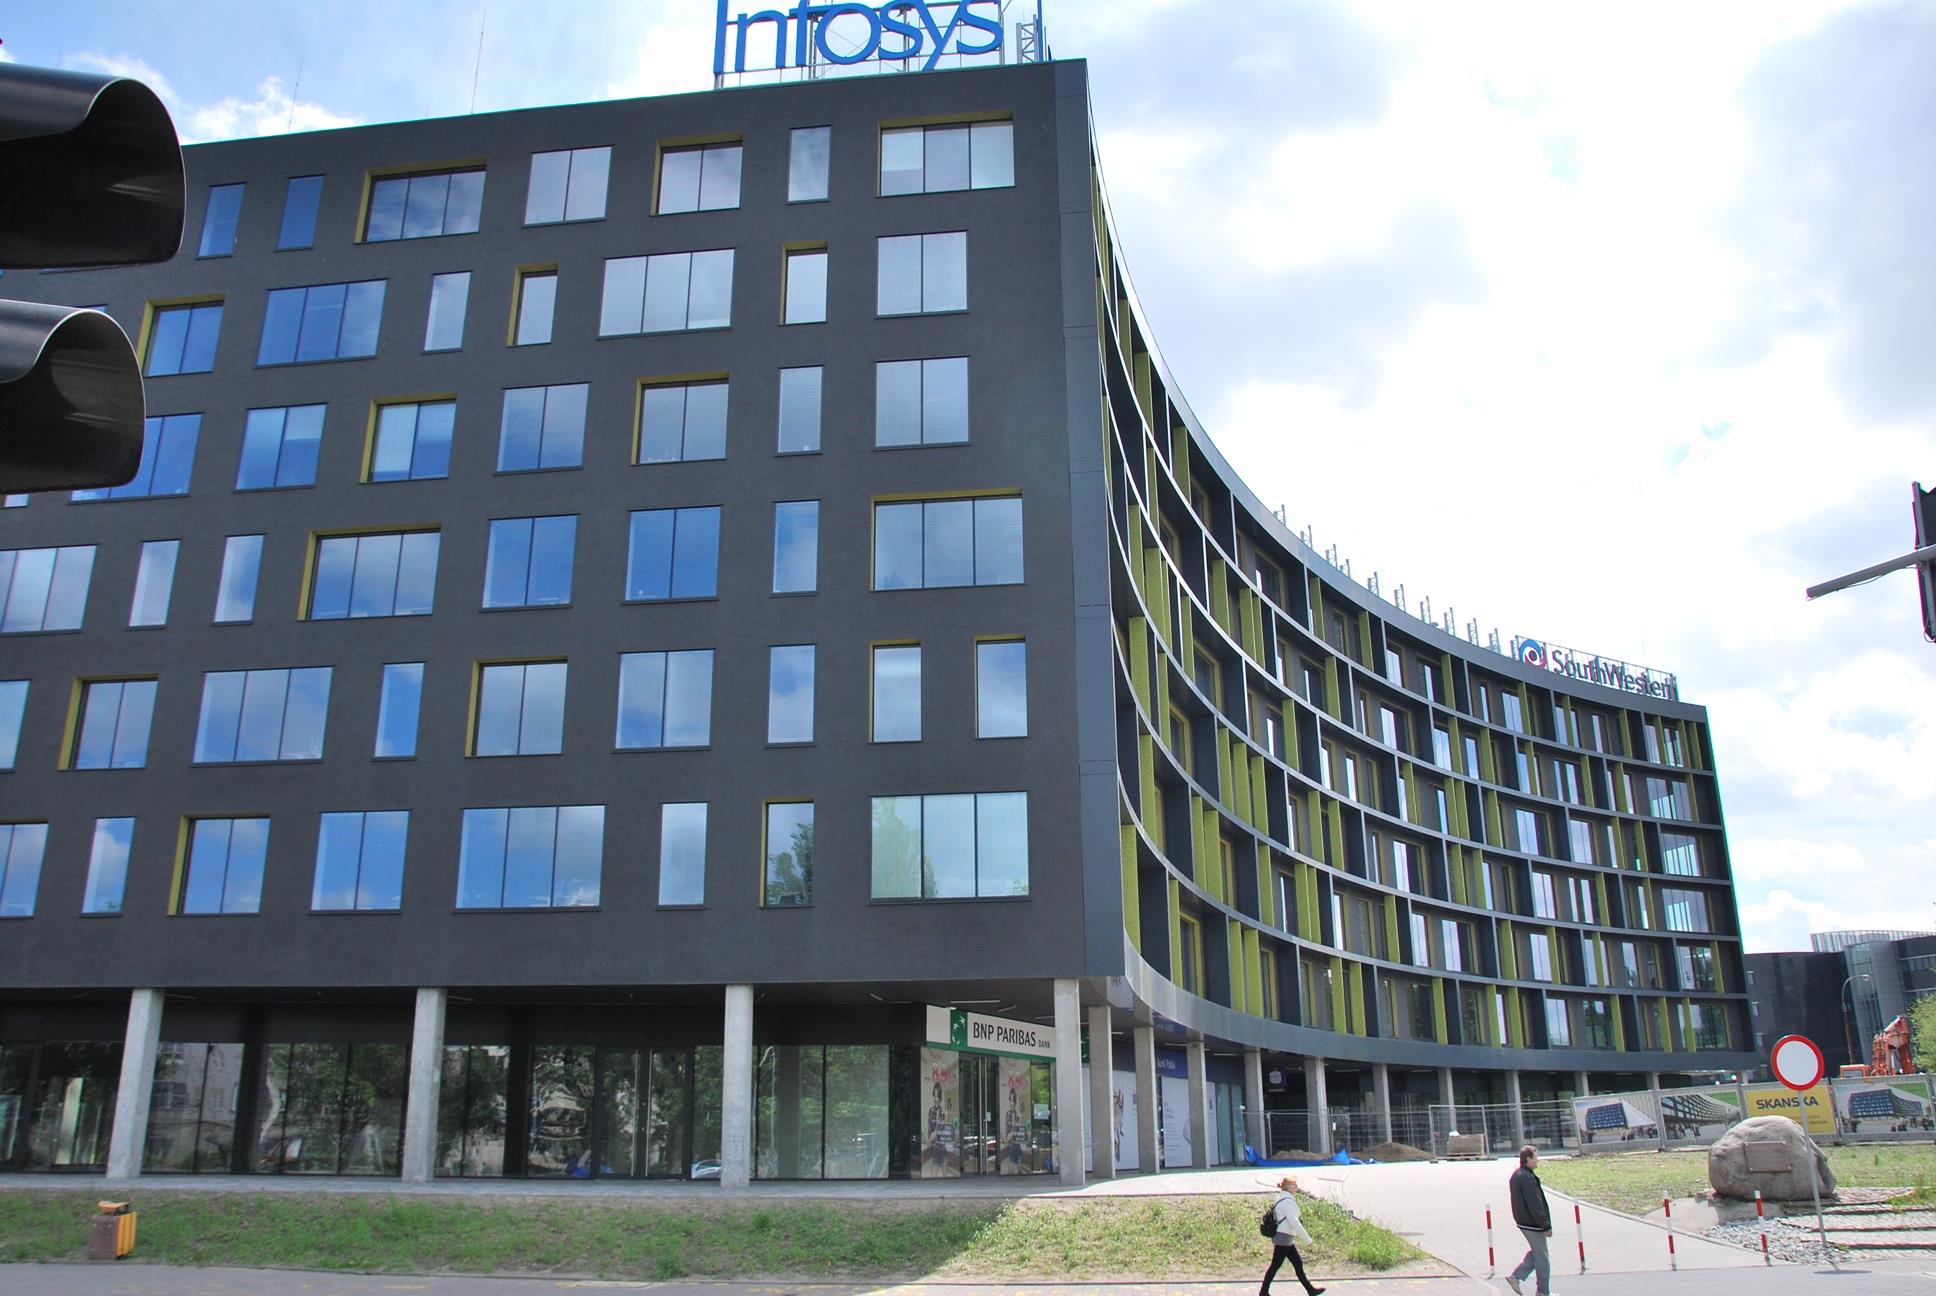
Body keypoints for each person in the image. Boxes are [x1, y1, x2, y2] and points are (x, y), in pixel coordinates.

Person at [1260, 1175, 1325, 1296]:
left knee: (1297, 1263)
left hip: (1285, 1237)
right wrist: (1307, 1240)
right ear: (1287, 1187)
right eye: (1294, 1185)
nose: (1296, 1187)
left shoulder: (1282, 1198)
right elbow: (1294, 1221)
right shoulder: (1287, 1201)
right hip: (1284, 1237)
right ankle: (1263, 1291)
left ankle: (1310, 1290)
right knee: (1276, 1265)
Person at [1505, 1144, 1553, 1295]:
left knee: (1537, 1252)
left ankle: (1517, 1276)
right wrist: (1545, 1225)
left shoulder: (1517, 1175)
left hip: (1524, 1221)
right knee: (1542, 1257)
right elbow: (1535, 1203)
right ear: (1528, 1159)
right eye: (1536, 1157)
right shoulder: (1527, 1177)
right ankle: (1542, 1291)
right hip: (1532, 1223)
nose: (1538, 1160)